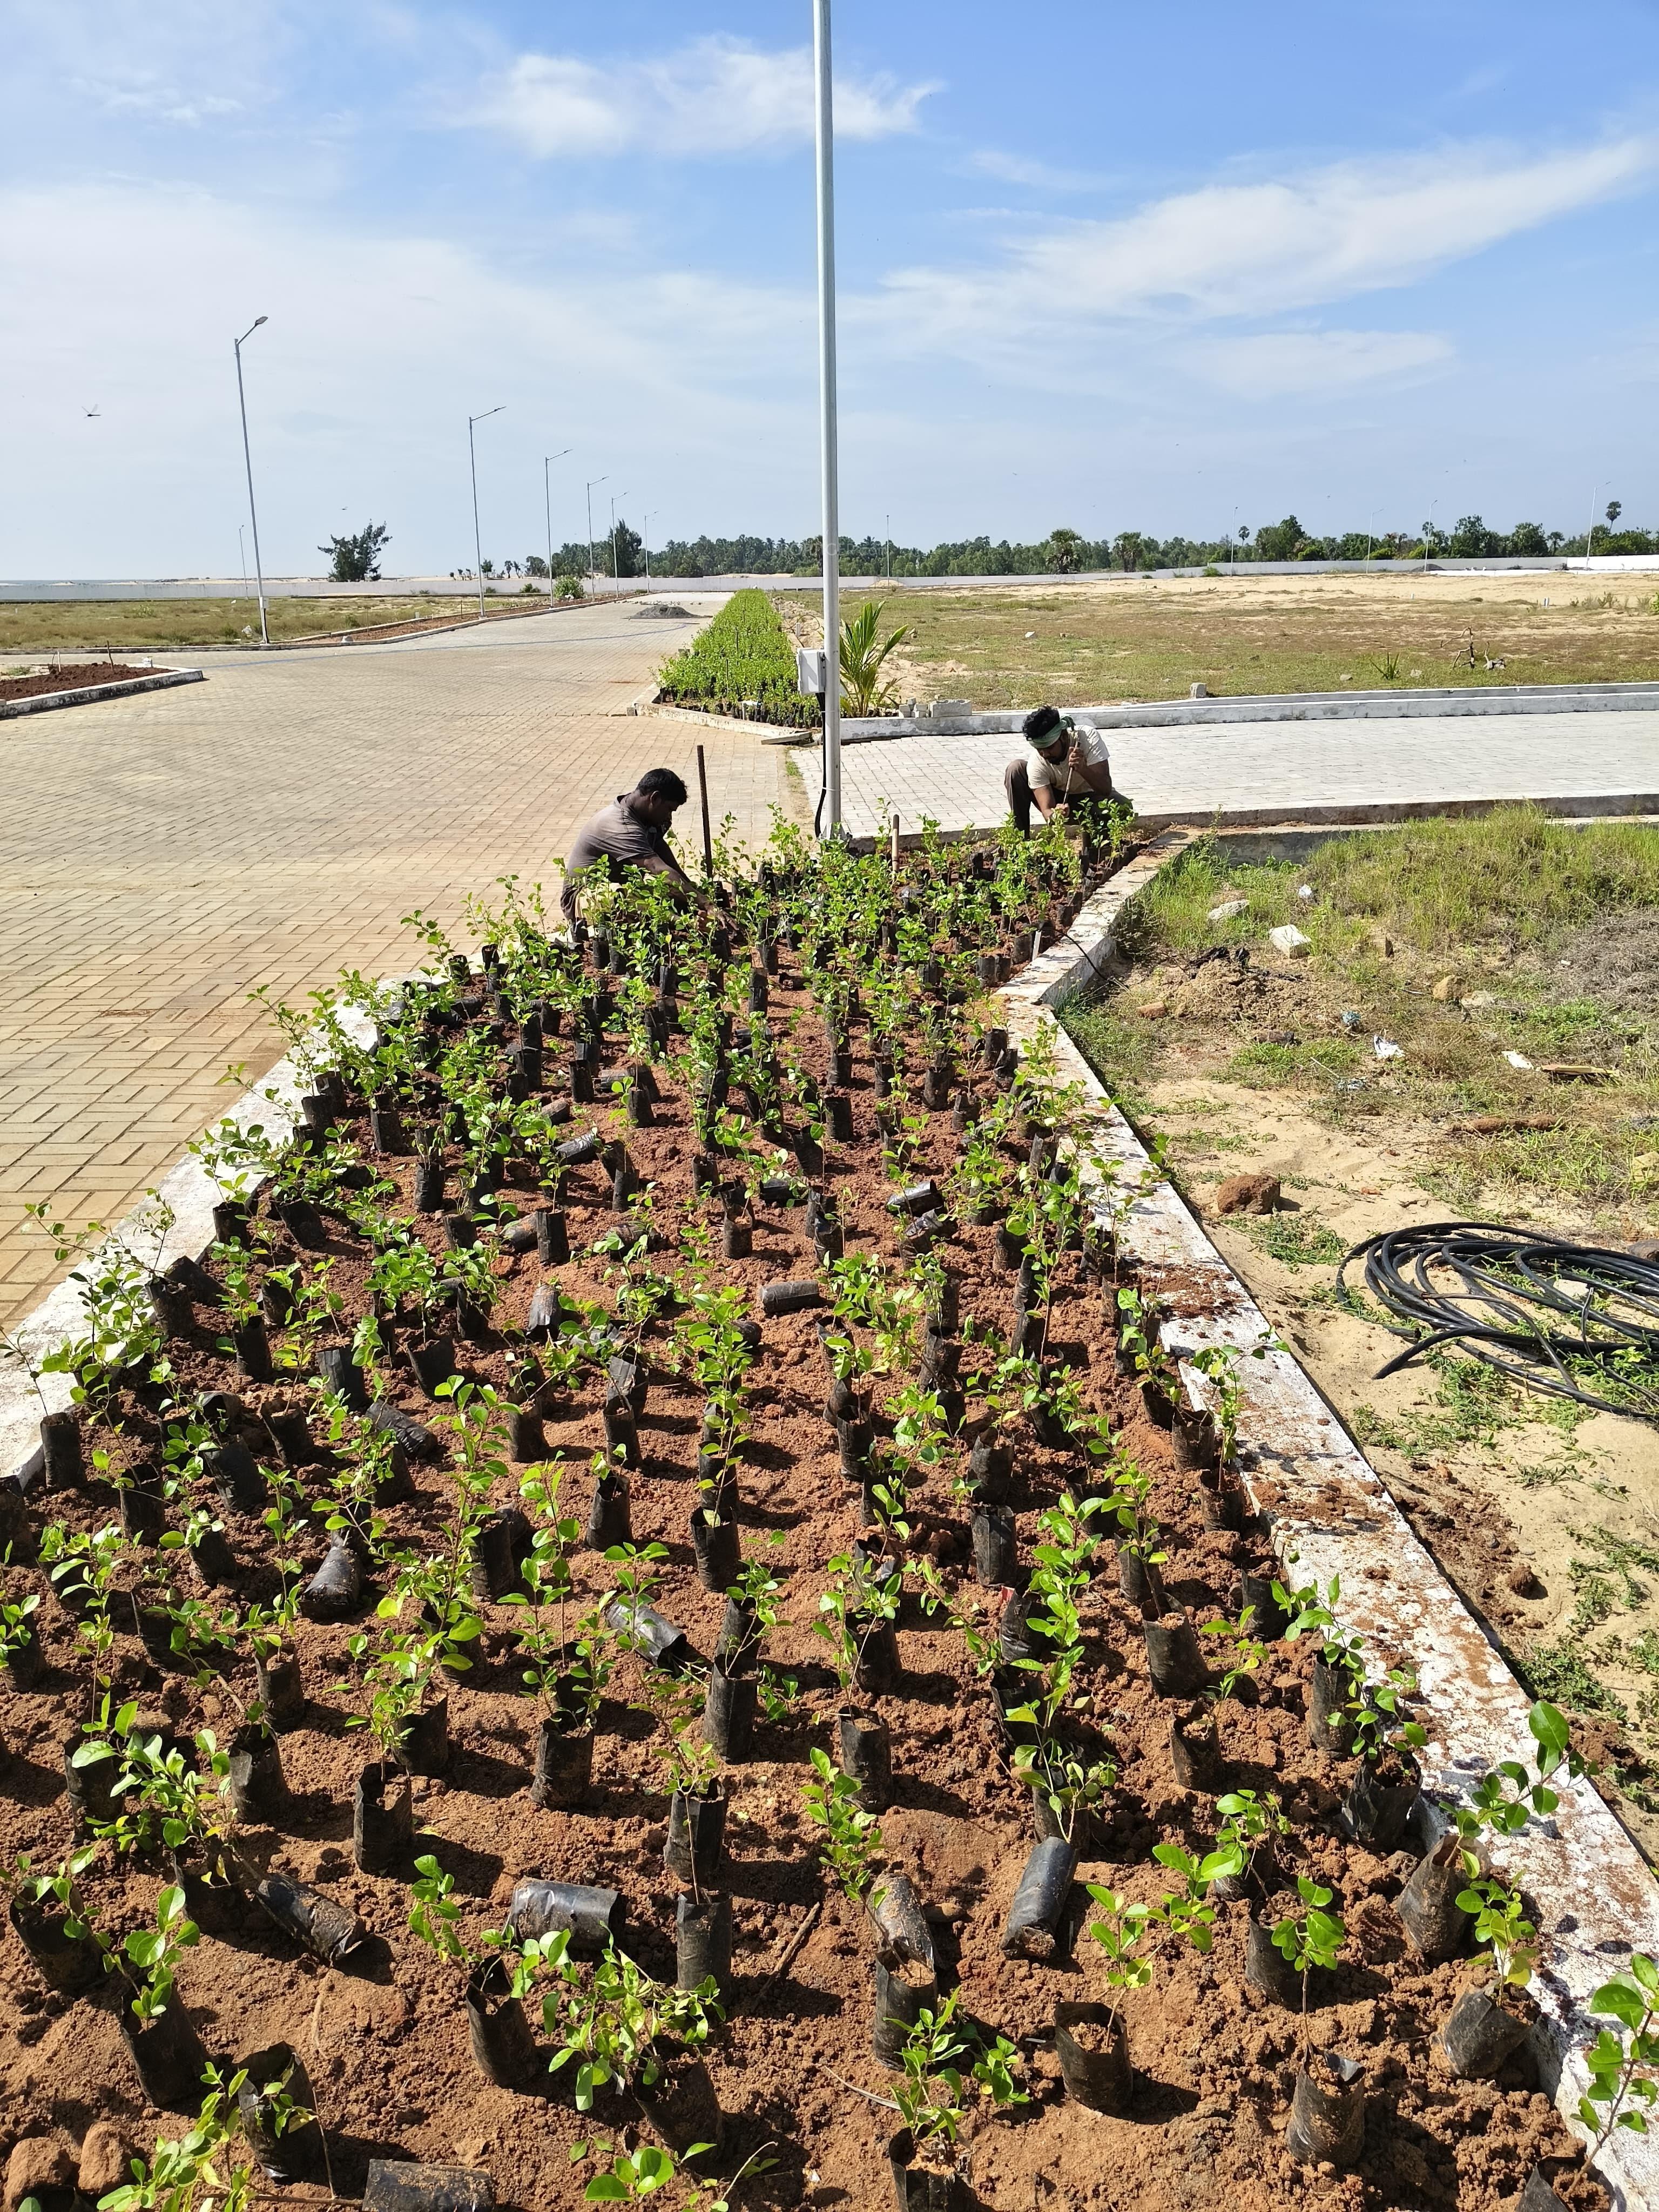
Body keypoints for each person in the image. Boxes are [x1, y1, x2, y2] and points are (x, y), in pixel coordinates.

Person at [560, 767, 700, 922]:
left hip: (624, 887)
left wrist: (694, 892)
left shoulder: (649, 817)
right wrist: (707, 905)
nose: (669, 816)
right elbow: (655, 866)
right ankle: (686, 925)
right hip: (585, 897)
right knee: (624, 897)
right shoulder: (620, 825)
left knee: (673, 892)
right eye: (669, 810)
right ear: (655, 799)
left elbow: (662, 854)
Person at [1003, 703, 1126, 834]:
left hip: (1092, 799)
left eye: (1049, 748)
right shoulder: (1037, 762)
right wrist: (1055, 815)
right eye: (1040, 750)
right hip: (1059, 801)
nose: (1045, 754)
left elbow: (1105, 788)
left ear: (1063, 736)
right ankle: (1020, 841)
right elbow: (1047, 810)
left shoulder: (1087, 738)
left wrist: (1083, 768)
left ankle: (1095, 847)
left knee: (1121, 806)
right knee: (1015, 769)